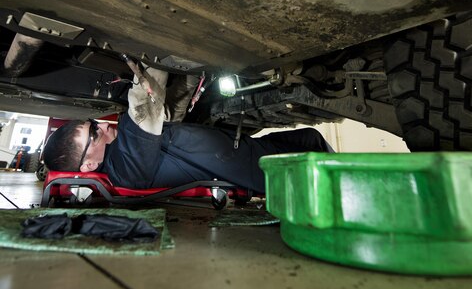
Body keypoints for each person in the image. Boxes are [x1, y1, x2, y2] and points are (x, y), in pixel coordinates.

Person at [43, 67, 333, 193]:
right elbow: (145, 102)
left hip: (245, 152)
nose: (102, 125)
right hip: (258, 168)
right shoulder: (124, 169)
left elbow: (161, 115)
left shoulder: (124, 151)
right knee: (314, 150)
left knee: (309, 138)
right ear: (89, 164)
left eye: (93, 123)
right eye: (93, 133)